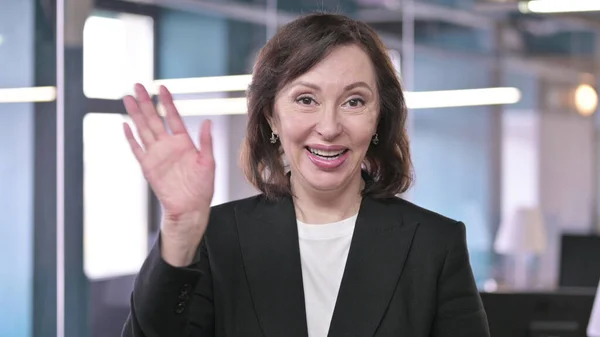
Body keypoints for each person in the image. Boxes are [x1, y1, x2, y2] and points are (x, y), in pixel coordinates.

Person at [121, 12, 490, 337]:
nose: (329, 127)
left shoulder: (434, 245)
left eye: (354, 101)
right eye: (306, 99)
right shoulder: (217, 239)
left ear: (379, 117)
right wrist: (181, 231)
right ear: (271, 116)